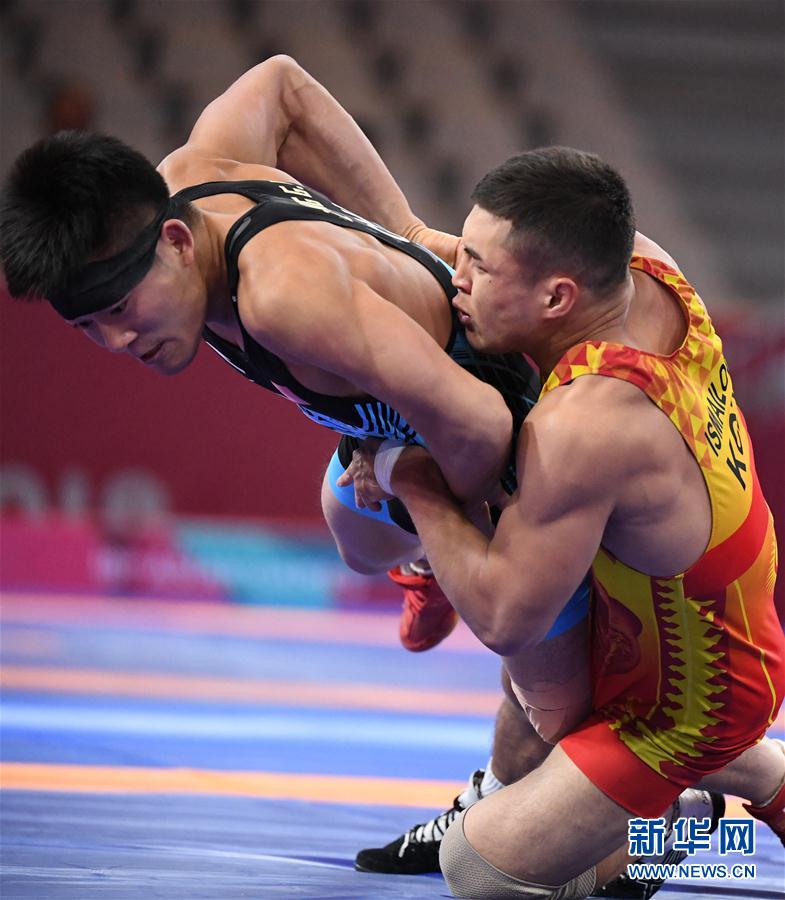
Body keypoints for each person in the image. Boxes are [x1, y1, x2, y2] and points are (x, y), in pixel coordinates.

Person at [0, 57, 588, 679]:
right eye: (88, 326)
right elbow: (281, 85)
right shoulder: (193, 175)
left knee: (524, 660)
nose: (116, 339)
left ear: (177, 241)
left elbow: (483, 426)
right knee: (351, 529)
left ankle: (418, 493)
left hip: (487, 402)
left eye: (121, 307)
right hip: (407, 394)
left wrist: (422, 493)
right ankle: (416, 526)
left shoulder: (283, 299)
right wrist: (405, 230)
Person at [340, 147, 785, 898]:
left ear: (556, 297)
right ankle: (755, 777)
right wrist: (407, 233)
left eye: (478, 266)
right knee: (538, 670)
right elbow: (288, 92)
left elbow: (504, 618)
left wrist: (408, 476)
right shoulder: (641, 265)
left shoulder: (585, 423)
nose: (457, 277)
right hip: (667, 620)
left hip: (692, 701)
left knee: (479, 866)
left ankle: (677, 818)